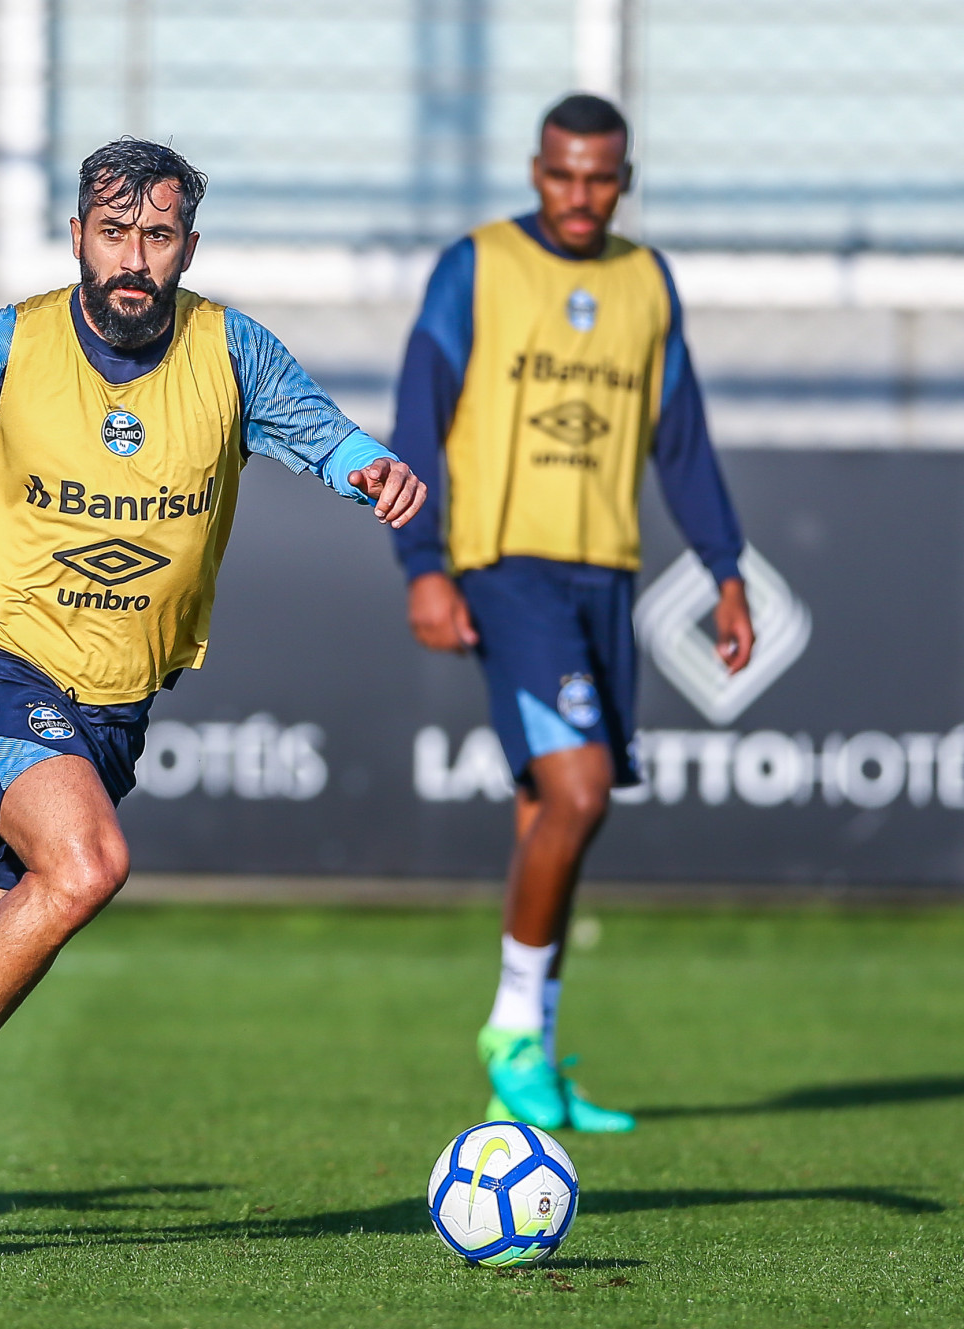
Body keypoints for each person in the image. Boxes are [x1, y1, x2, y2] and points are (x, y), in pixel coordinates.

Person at [0, 139, 426, 1246]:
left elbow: (322, 437)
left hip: (110, 707)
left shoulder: (229, 350)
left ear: (186, 245)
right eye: (113, 234)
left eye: (154, 237)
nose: (132, 259)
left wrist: (370, 469)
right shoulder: (8, 343)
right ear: (76, 237)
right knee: (88, 863)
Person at [388, 95, 754, 1133]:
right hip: (506, 566)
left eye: (599, 177)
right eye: (561, 175)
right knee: (580, 788)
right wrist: (420, 560)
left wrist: (723, 569)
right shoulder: (476, 265)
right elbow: (421, 414)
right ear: (534, 169)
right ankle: (509, 1029)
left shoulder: (644, 282)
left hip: (605, 571)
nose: (579, 195)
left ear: (623, 179)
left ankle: (533, 1060)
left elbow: (677, 434)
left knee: (552, 813)